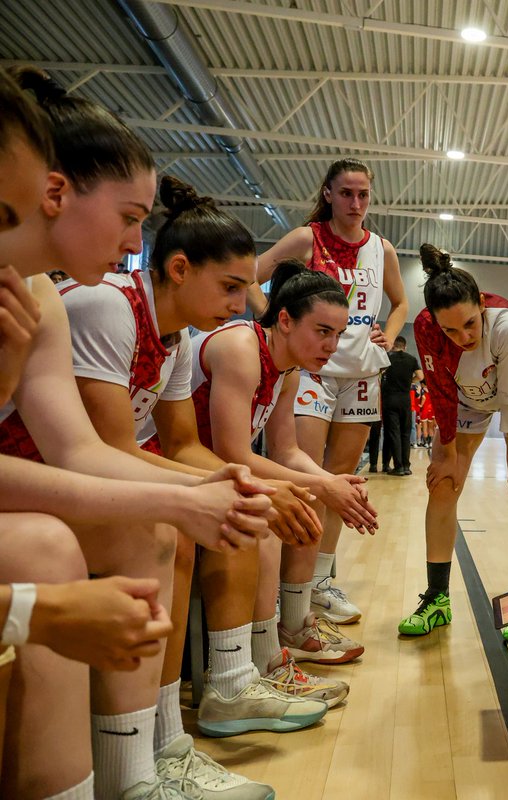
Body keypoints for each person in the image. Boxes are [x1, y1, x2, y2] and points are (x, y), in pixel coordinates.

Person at [0, 66, 274, 800]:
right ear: (53, 191)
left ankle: (146, 761)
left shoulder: (45, 300)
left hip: (42, 482)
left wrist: (208, 488)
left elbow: (84, 451)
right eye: (129, 217)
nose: (135, 237)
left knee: (172, 523)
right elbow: (111, 451)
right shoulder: (100, 304)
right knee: (72, 543)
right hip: (31, 501)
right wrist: (193, 493)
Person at [61, 175, 329, 794]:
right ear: (179, 268)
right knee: (166, 528)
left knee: (226, 507)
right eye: (232, 287)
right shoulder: (107, 305)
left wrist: (226, 481)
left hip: (89, 469)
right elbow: (109, 450)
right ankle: (147, 755)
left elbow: (180, 443)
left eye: (246, 289)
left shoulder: (175, 336)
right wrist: (214, 484)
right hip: (54, 474)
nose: (240, 305)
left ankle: (207, 706)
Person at [191, 258, 378, 693]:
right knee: (271, 513)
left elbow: (287, 451)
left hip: (213, 468)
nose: (332, 345)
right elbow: (232, 453)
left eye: (338, 333)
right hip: (180, 464)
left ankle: (291, 631)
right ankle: (265, 663)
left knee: (306, 495)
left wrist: (331, 484)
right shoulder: (241, 347)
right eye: (323, 331)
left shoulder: (289, 370)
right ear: (286, 320)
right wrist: (321, 483)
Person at [254, 157, 409, 630]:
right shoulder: (308, 238)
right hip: (313, 370)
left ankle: (317, 583)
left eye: (363, 194)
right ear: (328, 194)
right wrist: (274, 326)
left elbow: (401, 302)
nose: (355, 203)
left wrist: (390, 329)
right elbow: (250, 275)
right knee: (305, 477)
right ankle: (283, 591)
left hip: (361, 372)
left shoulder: (382, 248)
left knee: (342, 481)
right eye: (346, 193)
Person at [400, 244, 508, 644]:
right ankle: (436, 598)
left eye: (469, 324)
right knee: (444, 484)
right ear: (434, 321)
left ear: (482, 304)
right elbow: (438, 390)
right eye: (450, 330)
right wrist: (447, 452)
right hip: (468, 397)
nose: (463, 337)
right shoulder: (425, 328)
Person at [380, 336, 421, 475]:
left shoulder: (387, 358)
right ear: (405, 346)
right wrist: (409, 381)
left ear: (393, 346)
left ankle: (398, 467)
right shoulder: (412, 359)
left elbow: (379, 374)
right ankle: (406, 466)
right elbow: (420, 377)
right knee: (406, 433)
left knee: (394, 433)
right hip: (405, 399)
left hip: (390, 399)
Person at [414, 381, 435, 447]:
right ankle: (431, 442)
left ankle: (426, 443)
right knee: (431, 427)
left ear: (422, 384)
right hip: (431, 409)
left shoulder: (423, 390)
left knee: (425, 427)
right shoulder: (432, 390)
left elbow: (423, 397)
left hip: (424, 409)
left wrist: (420, 405)